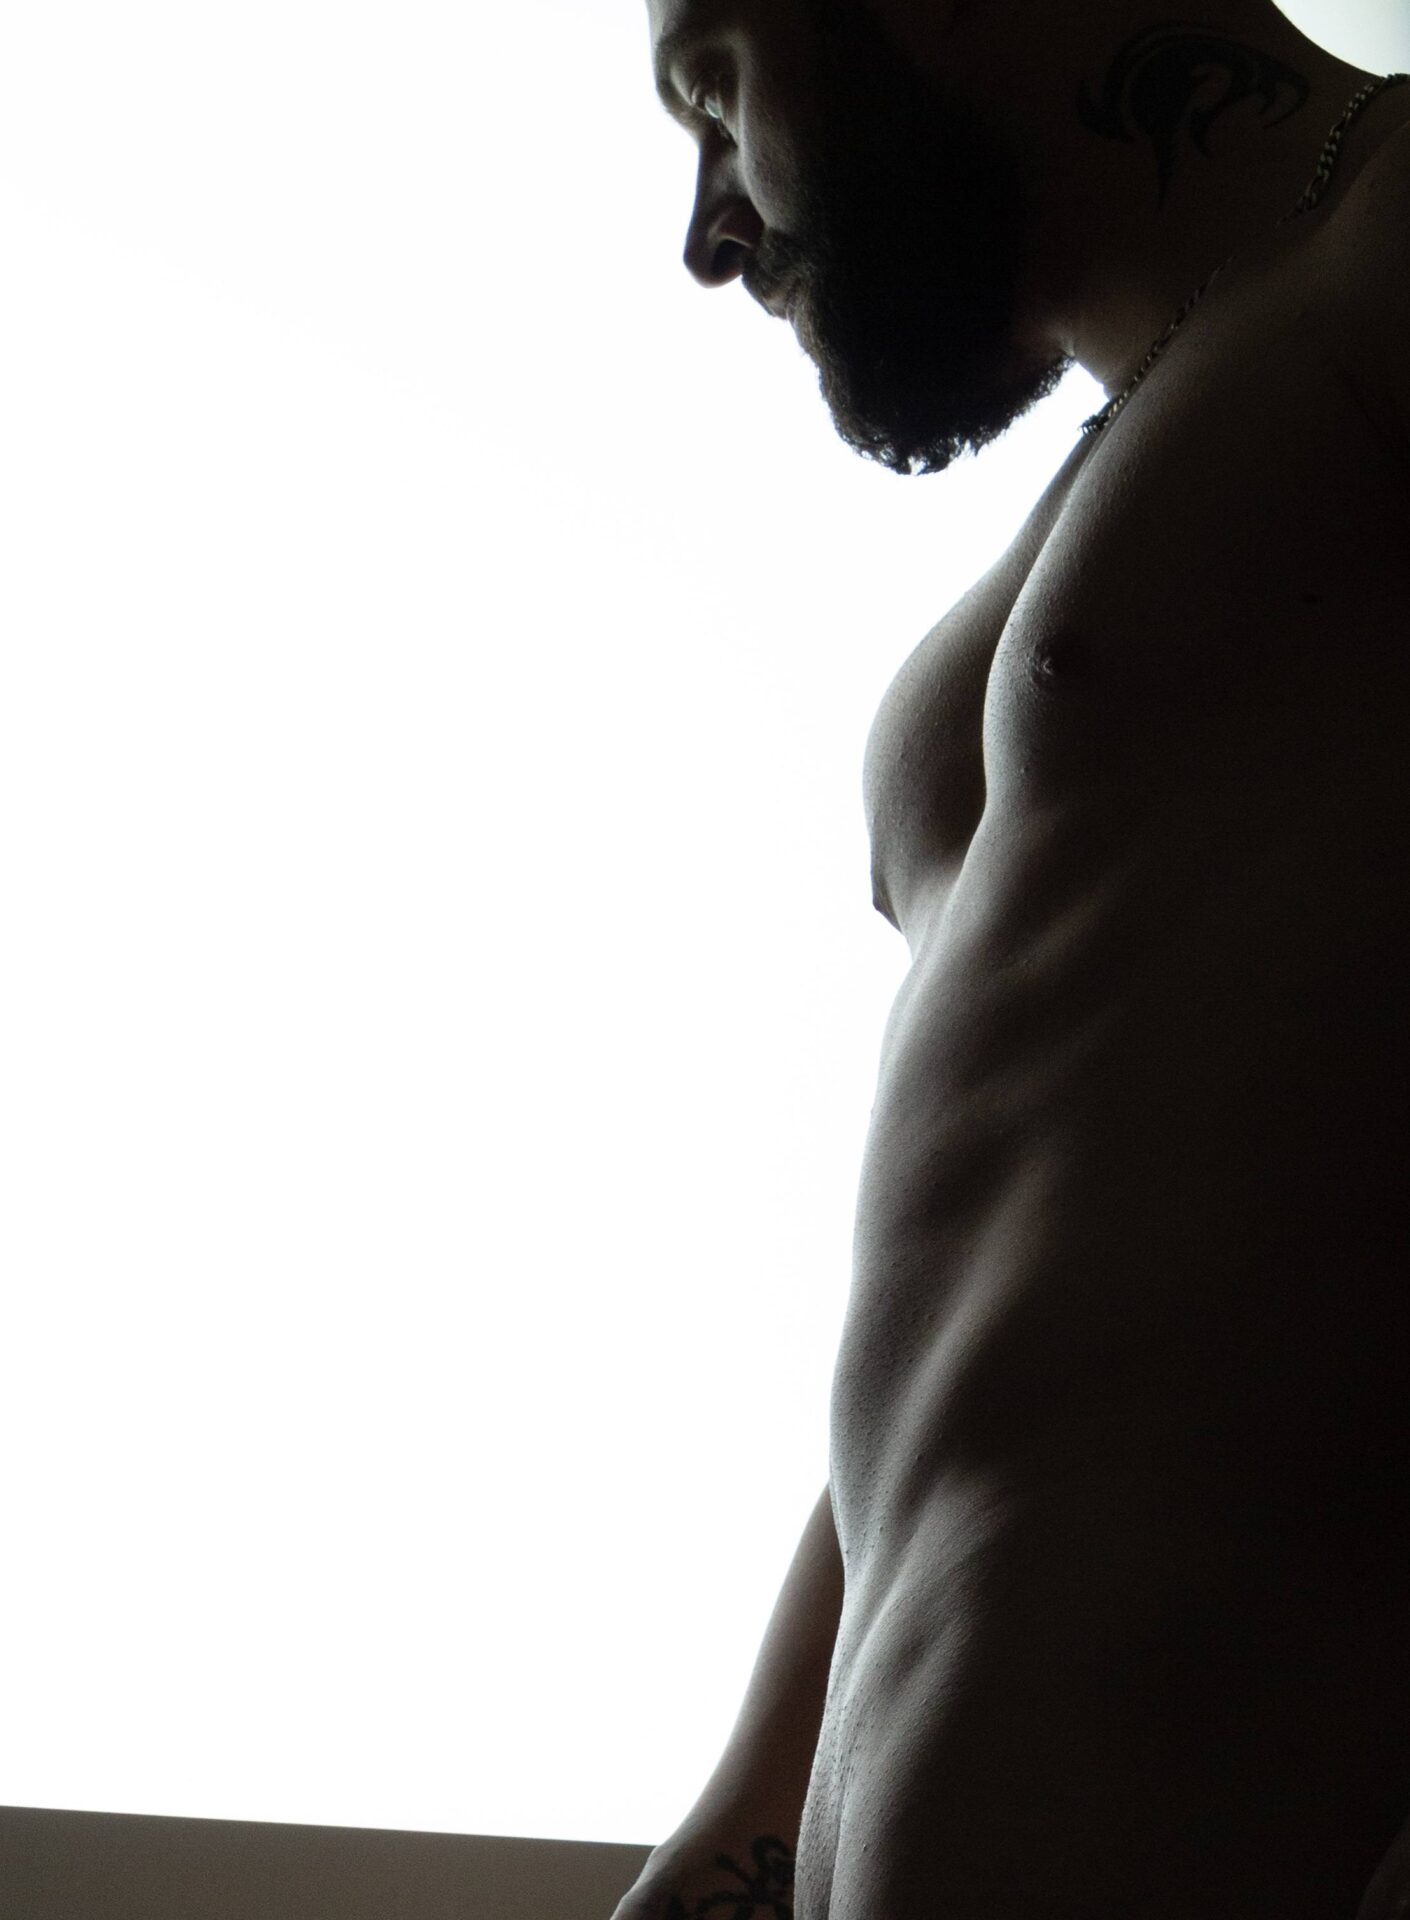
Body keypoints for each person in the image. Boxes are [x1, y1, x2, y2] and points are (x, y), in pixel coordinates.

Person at [614, 1, 1410, 1914]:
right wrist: (739, 1824)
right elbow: (1011, 1294)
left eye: (712, 88)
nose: (707, 231)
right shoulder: (1133, 478)